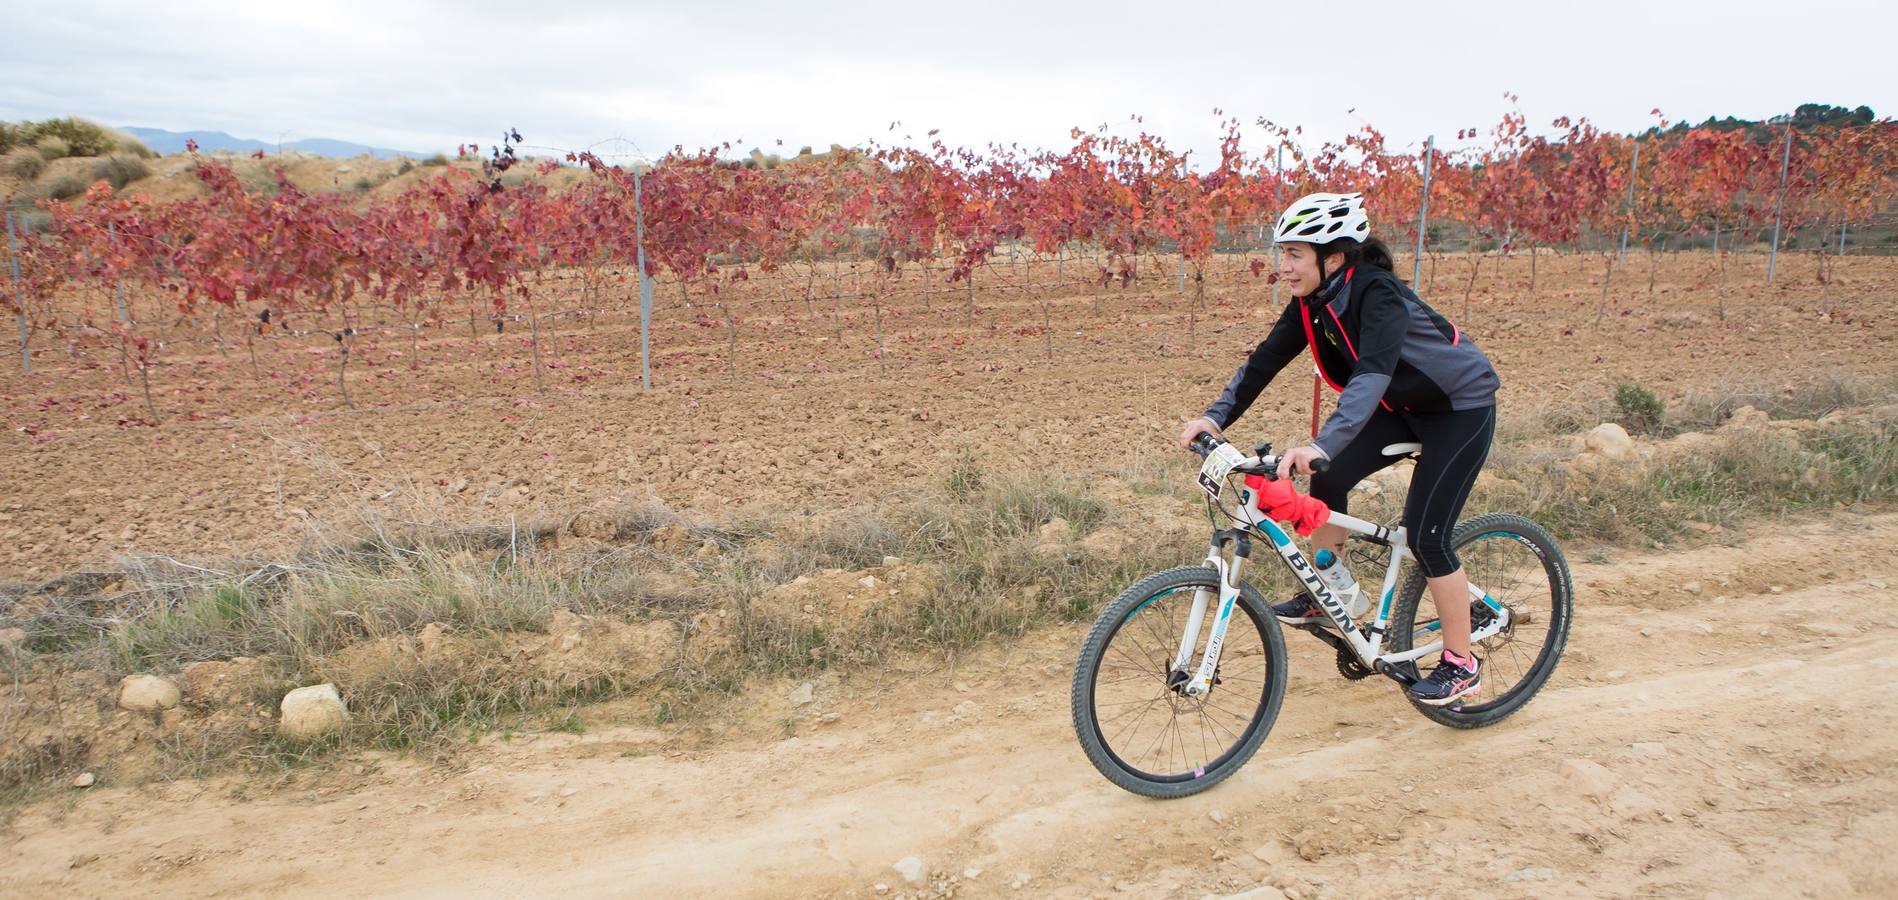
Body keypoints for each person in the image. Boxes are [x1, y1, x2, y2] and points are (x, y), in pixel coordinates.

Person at [1177, 192, 1500, 707]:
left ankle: (1461, 663)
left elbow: (1372, 375)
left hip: (1459, 410)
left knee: (1427, 537)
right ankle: (1332, 592)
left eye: (1295, 255)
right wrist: (1214, 417)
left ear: (1334, 257)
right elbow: (1264, 361)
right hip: (1405, 406)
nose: (1284, 266)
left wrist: (1321, 442)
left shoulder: (1379, 295)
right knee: (1328, 477)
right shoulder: (1313, 301)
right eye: (1283, 253)